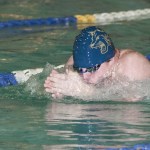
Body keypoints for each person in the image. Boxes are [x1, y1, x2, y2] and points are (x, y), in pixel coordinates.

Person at [44, 26, 150, 101]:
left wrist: (88, 93)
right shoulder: (73, 64)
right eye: (80, 70)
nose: (85, 76)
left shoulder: (132, 64)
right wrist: (61, 92)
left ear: (111, 60)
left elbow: (133, 105)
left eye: (92, 69)